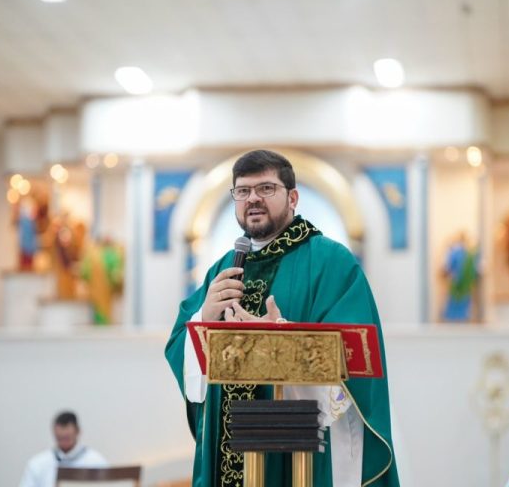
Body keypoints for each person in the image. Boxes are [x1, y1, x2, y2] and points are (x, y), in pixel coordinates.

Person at [165, 150, 400, 486]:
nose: (253, 199)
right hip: (230, 447)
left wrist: (284, 342)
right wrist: (205, 315)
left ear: (293, 198)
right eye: (243, 191)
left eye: (266, 189)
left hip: (300, 454)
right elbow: (179, 346)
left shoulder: (330, 262)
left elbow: (357, 373)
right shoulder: (223, 268)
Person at [19, 411, 107, 487]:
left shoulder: (96, 462)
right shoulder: (38, 463)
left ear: (78, 431)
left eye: (67, 438)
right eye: (60, 438)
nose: (64, 442)